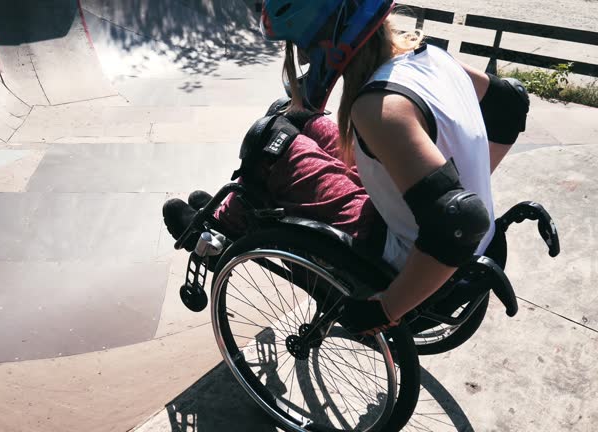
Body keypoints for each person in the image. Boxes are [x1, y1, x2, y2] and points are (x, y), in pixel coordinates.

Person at [163, 0, 530, 335]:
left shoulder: (376, 108)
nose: (302, 58)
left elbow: (459, 221)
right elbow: (510, 103)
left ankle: (221, 233)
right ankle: (232, 211)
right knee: (295, 116)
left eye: (301, 48)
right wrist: (469, 175)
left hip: (408, 258)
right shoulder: (434, 58)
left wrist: (386, 310)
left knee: (270, 141)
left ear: (322, 40)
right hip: (451, 241)